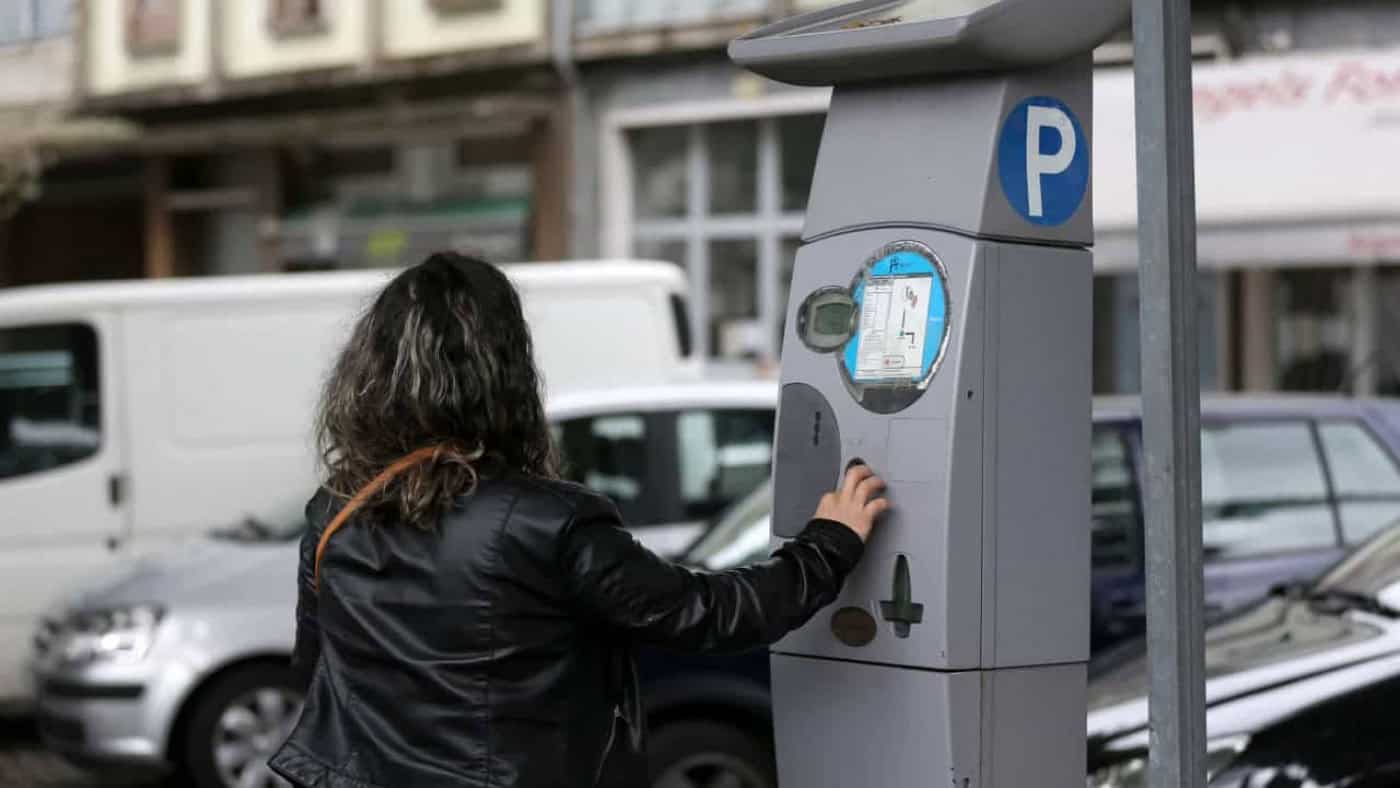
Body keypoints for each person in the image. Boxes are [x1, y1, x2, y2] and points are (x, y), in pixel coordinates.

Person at [268, 252, 888, 788]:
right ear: (505, 373)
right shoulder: (548, 520)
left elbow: (317, 664)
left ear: (370, 375)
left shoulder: (336, 511)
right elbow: (709, 614)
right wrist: (829, 543)